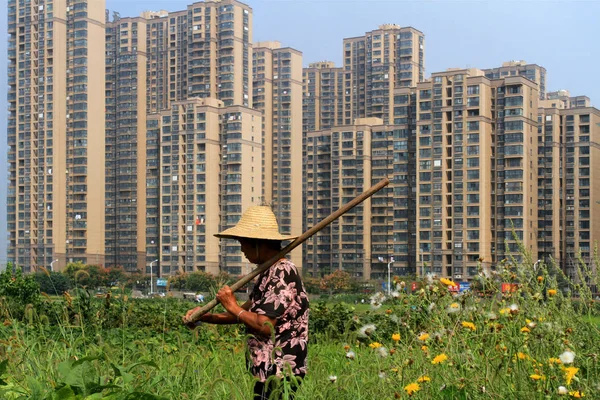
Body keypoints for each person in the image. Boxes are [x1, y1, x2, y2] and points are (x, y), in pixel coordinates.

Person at [183, 206, 309, 400]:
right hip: (266, 369)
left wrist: (230, 304)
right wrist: (206, 316)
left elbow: (264, 325)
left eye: (244, 243)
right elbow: (245, 315)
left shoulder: (282, 272)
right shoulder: (266, 272)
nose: (242, 249)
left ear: (259, 244)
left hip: (281, 369)